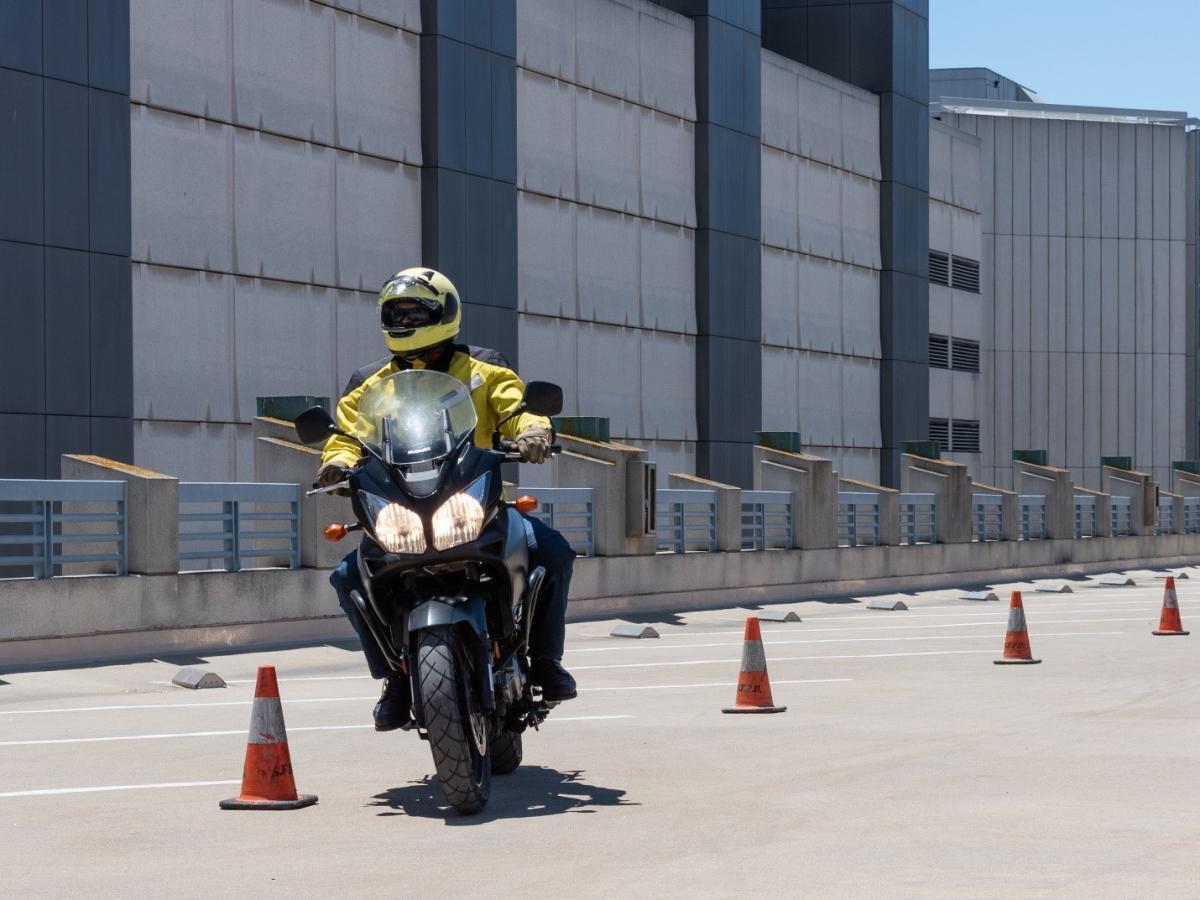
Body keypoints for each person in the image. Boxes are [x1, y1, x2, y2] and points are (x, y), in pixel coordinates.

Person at [316, 267, 577, 731]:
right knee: (346, 577)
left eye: (416, 311)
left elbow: (517, 408)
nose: (405, 319)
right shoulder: (368, 382)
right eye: (396, 312)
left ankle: (545, 661)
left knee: (553, 552)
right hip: (401, 503)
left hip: (472, 500)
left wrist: (534, 430)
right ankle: (395, 678)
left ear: (444, 313)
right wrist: (334, 463)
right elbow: (347, 436)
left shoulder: (483, 368)